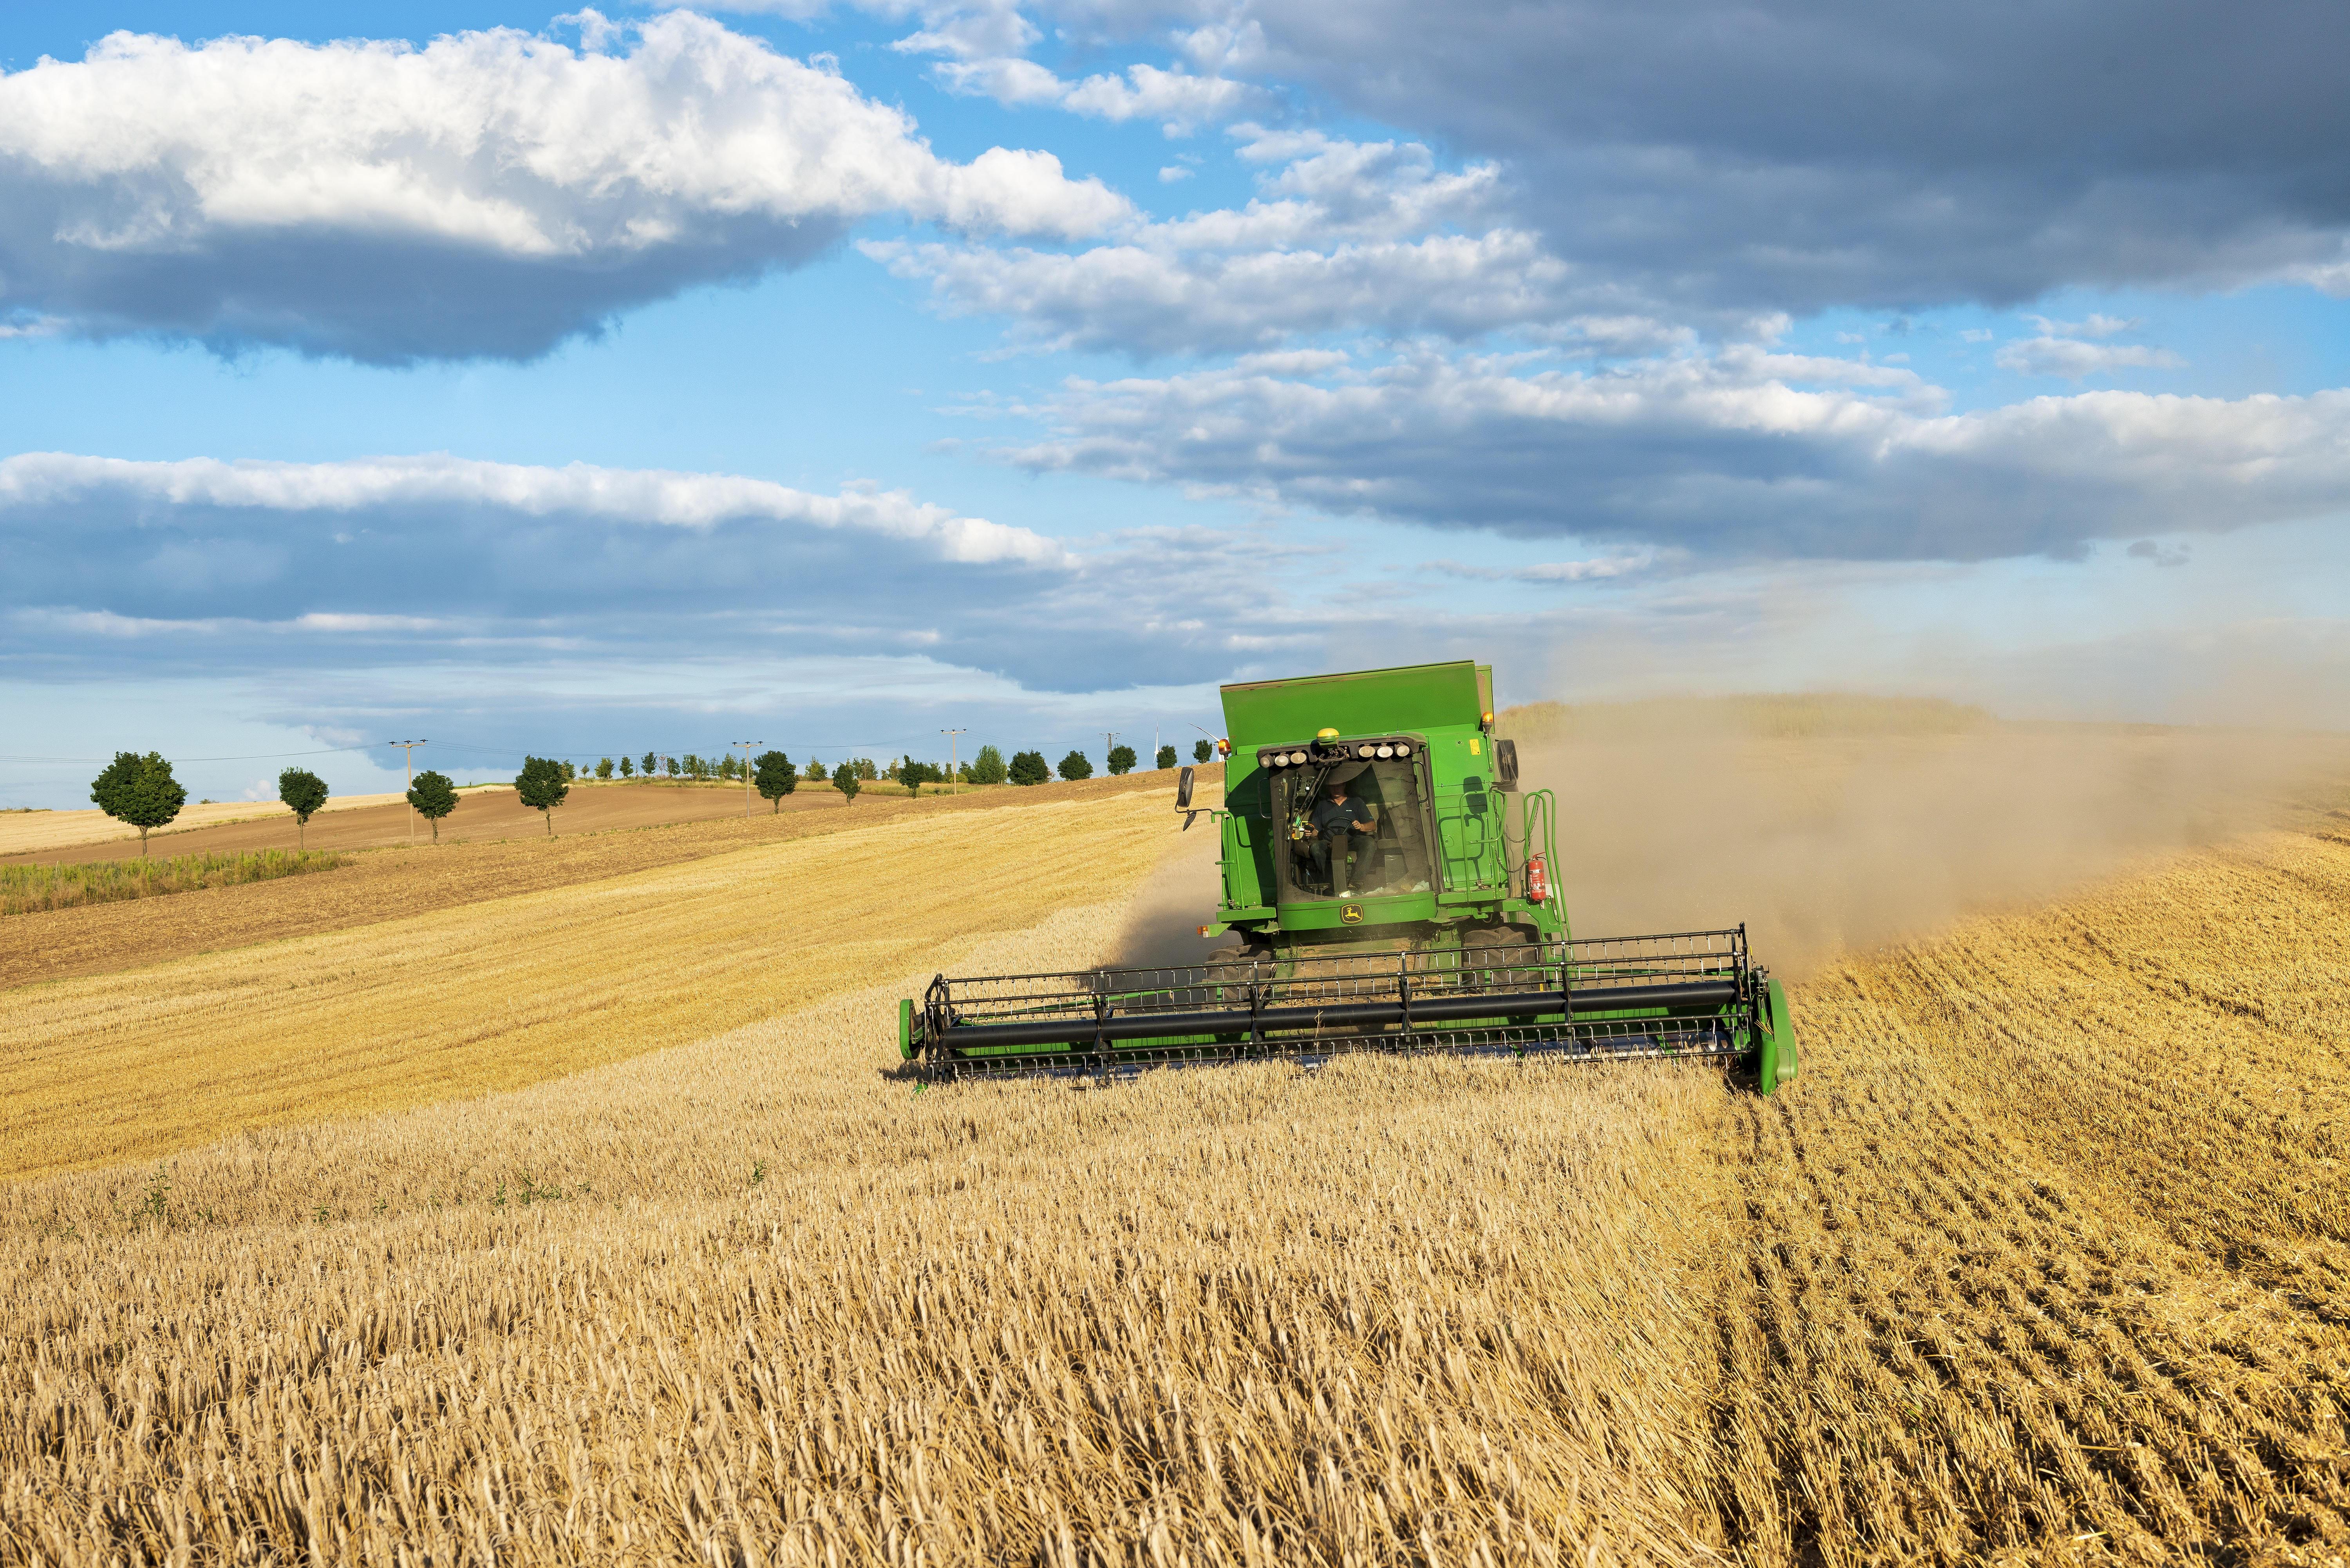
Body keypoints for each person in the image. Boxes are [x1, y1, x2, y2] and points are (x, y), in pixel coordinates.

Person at [1309, 777, 1377, 894]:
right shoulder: (1322, 805)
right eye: (1333, 786)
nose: (1336, 789)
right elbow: (1316, 829)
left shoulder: (1356, 802)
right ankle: (1331, 882)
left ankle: (1356, 883)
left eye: (1339, 786)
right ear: (1329, 788)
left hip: (1352, 840)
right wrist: (1311, 832)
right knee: (1316, 848)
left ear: (1344, 785)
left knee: (1370, 843)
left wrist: (1361, 826)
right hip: (1330, 842)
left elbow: (1372, 825)